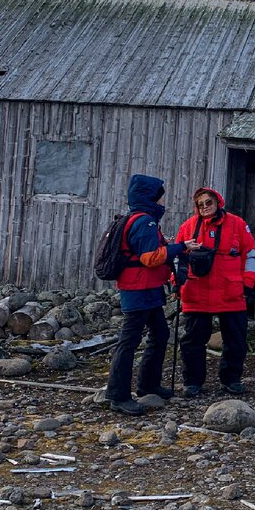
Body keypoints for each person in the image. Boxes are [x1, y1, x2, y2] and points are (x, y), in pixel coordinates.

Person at [106, 174, 199, 416]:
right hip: (139, 289)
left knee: (160, 333)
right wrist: (180, 247)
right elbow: (150, 258)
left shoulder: (137, 219)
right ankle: (118, 395)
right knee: (128, 342)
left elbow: (146, 251)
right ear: (150, 197)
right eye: (159, 196)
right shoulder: (144, 221)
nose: (161, 200)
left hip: (146, 289)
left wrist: (166, 244)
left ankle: (147, 384)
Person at [174, 187, 255, 397]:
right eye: (200, 204)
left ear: (218, 202)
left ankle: (231, 380)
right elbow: (177, 258)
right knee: (192, 341)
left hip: (231, 292)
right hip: (196, 291)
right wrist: (176, 283)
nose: (204, 207)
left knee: (236, 340)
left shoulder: (238, 224)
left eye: (208, 202)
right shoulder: (188, 226)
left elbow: (250, 255)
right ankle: (193, 382)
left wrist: (248, 282)